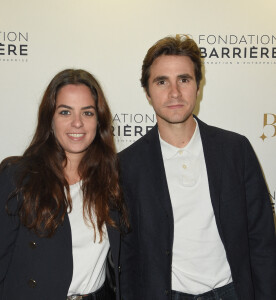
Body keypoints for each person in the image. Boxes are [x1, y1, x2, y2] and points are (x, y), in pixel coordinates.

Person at [118, 35, 276, 300]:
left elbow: (262, 241)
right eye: (161, 81)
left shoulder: (235, 150)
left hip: (233, 293)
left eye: (184, 79)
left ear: (198, 86)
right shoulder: (127, 166)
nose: (174, 93)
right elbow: (128, 257)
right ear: (147, 92)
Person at [0, 69, 127, 300]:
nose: (77, 123)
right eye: (65, 112)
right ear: (50, 119)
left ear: (99, 120)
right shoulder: (18, 178)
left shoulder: (112, 180)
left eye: (87, 113)